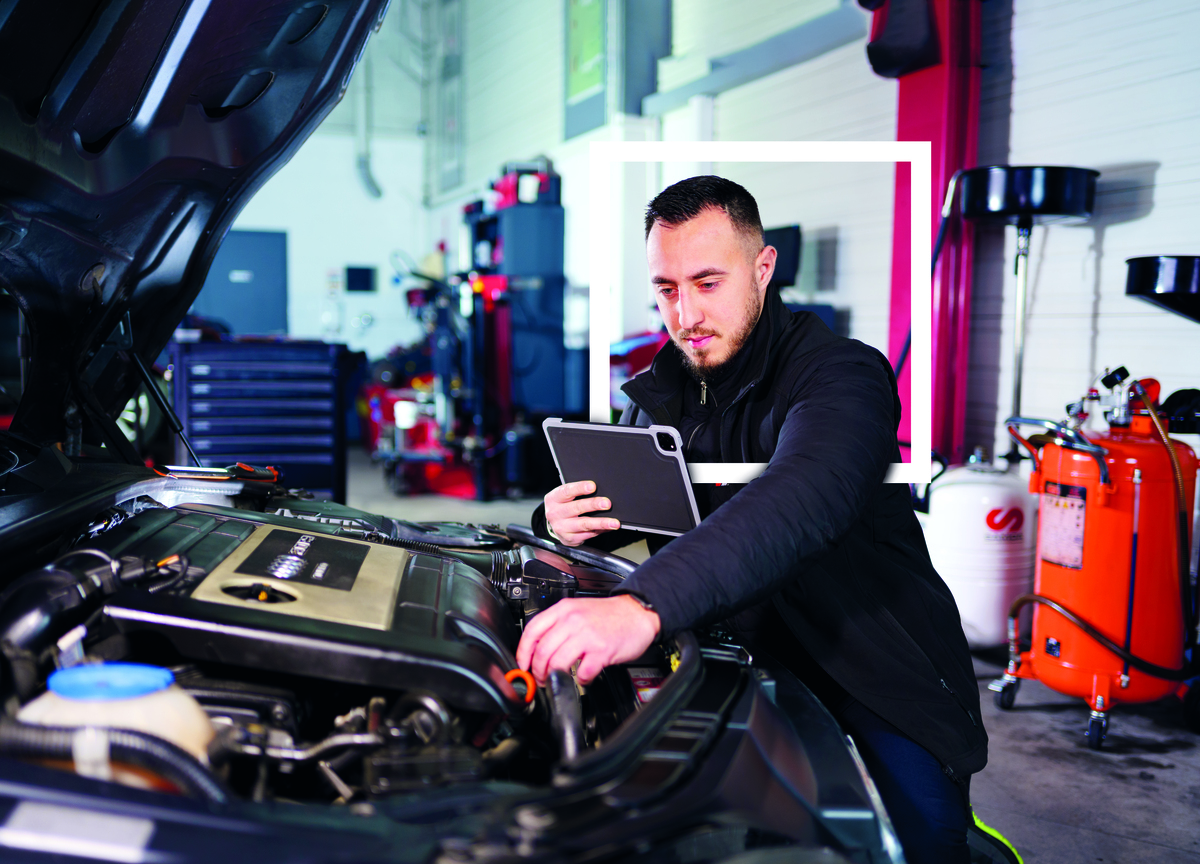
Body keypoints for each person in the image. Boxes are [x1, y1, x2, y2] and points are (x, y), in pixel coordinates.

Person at [516, 175, 986, 864]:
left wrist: (644, 603)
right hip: (743, 655)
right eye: (667, 289)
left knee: (917, 847)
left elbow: (805, 495)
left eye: (708, 283)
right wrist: (561, 519)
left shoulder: (842, 376)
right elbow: (623, 512)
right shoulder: (660, 395)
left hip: (876, 666)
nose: (686, 314)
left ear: (762, 269)